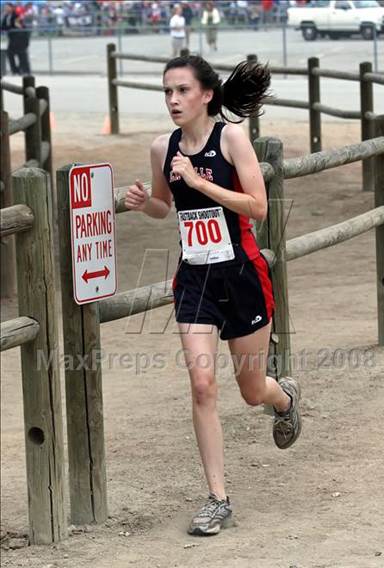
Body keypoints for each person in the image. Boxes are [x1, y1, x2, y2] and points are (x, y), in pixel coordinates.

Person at [125, 54, 302, 536]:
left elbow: (259, 207)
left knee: (251, 392)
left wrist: (202, 181)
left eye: (181, 91)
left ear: (206, 95)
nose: (172, 100)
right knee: (202, 386)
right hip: (195, 281)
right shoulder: (163, 147)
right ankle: (217, 498)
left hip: (242, 277)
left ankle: (282, 397)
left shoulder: (231, 138)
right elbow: (167, 206)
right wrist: (147, 204)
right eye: (166, 92)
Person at [1, 2, 31, 76]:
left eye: (7, 7)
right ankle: (15, 70)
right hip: (12, 39)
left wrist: (12, 27)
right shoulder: (6, 16)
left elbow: (19, 25)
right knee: (10, 54)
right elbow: (3, 26)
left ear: (12, 8)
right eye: (5, 7)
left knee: (22, 55)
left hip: (20, 38)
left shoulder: (16, 15)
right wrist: (8, 28)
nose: (6, 9)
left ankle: (25, 71)